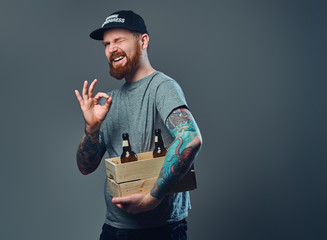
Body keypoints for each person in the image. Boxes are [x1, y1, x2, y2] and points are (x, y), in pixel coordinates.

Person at [74, 10, 202, 240]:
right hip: (115, 228)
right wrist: (91, 128)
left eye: (119, 40)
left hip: (162, 230)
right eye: (106, 44)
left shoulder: (163, 87)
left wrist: (152, 198)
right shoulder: (109, 101)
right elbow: (86, 166)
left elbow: (190, 139)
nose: (111, 49)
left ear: (143, 41)